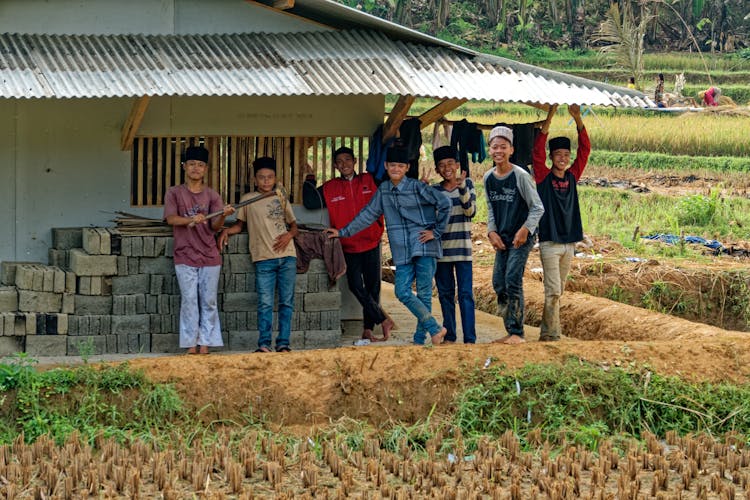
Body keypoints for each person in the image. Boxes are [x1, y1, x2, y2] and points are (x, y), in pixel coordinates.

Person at [325, 147, 451, 346]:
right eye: (392, 165)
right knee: (402, 292)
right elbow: (367, 215)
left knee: (425, 293)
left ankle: (421, 339)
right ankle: (435, 328)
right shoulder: (383, 190)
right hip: (402, 250)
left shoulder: (417, 187)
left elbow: (445, 204)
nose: (396, 169)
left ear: (407, 168)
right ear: (386, 166)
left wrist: (435, 232)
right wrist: (342, 232)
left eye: (401, 166)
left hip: (424, 246)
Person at [302, 147, 394, 342]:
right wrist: (309, 177)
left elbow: (394, 181)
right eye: (339, 161)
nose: (344, 164)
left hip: (371, 242)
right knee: (354, 286)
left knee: (373, 288)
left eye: (347, 160)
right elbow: (310, 202)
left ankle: (368, 329)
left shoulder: (370, 180)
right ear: (335, 165)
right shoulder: (330, 187)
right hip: (348, 246)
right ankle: (382, 319)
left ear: (355, 161)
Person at [218, 157, 298, 353]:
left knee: (286, 302)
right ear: (255, 180)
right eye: (261, 177)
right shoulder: (247, 199)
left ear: (275, 178)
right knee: (265, 302)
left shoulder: (280, 196)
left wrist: (289, 235)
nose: (265, 181)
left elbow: (294, 226)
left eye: (269, 177)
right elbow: (239, 225)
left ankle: (283, 343)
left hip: (287, 256)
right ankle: (264, 344)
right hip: (263, 259)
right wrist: (226, 230)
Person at [164, 145, 235, 355]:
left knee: (209, 300)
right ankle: (190, 343)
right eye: (192, 164)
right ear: (184, 166)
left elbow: (214, 227)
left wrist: (223, 214)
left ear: (205, 169)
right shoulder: (174, 193)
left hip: (209, 254)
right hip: (184, 254)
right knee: (189, 300)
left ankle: (206, 343)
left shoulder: (213, 196)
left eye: (201, 165)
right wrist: (190, 220)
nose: (196, 168)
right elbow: (171, 219)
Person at [532, 104, 590, 342]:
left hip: (570, 243)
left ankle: (549, 331)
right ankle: (551, 335)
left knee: (559, 291)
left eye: (566, 155)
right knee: (553, 290)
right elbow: (536, 150)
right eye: (558, 155)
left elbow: (585, 149)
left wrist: (578, 119)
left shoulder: (573, 176)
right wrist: (551, 115)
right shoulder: (543, 177)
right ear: (551, 157)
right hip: (550, 242)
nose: (563, 159)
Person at [484, 126, 545, 345]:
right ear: (489, 149)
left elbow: (537, 207)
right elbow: (491, 208)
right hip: (503, 236)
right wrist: (491, 231)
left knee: (512, 279)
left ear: (511, 150)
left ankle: (517, 333)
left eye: (503, 147)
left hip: (522, 236)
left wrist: (525, 229)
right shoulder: (488, 178)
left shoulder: (521, 176)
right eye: (494, 147)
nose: (498, 151)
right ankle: (510, 328)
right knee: (498, 282)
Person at [432, 146, 477, 344]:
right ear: (437, 170)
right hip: (441, 252)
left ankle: (470, 339)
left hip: (463, 252)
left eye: (450, 163)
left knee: (466, 295)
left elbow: (471, 212)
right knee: (445, 294)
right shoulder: (433, 190)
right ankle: (450, 335)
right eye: (441, 165)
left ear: (458, 165)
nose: (446, 168)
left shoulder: (467, 185)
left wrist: (462, 189)